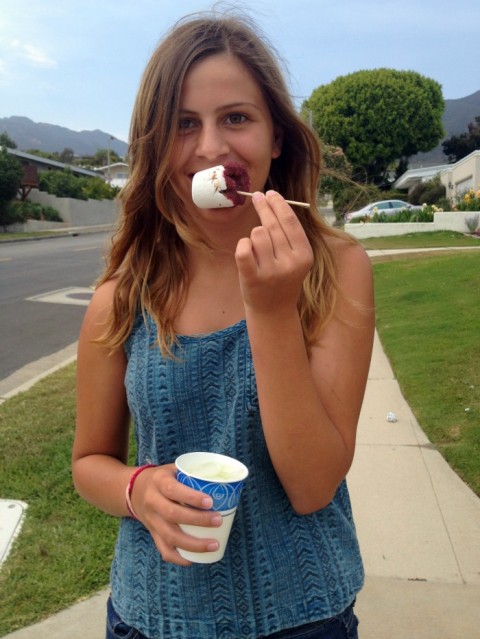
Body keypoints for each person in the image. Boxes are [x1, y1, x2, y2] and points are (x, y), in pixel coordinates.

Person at [72, 10, 375, 639]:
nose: (211, 147)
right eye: (185, 124)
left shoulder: (337, 268)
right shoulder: (123, 297)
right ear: (157, 145)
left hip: (304, 617)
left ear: (276, 138)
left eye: (236, 118)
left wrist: (270, 311)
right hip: (150, 619)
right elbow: (88, 462)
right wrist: (138, 488)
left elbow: (314, 484)